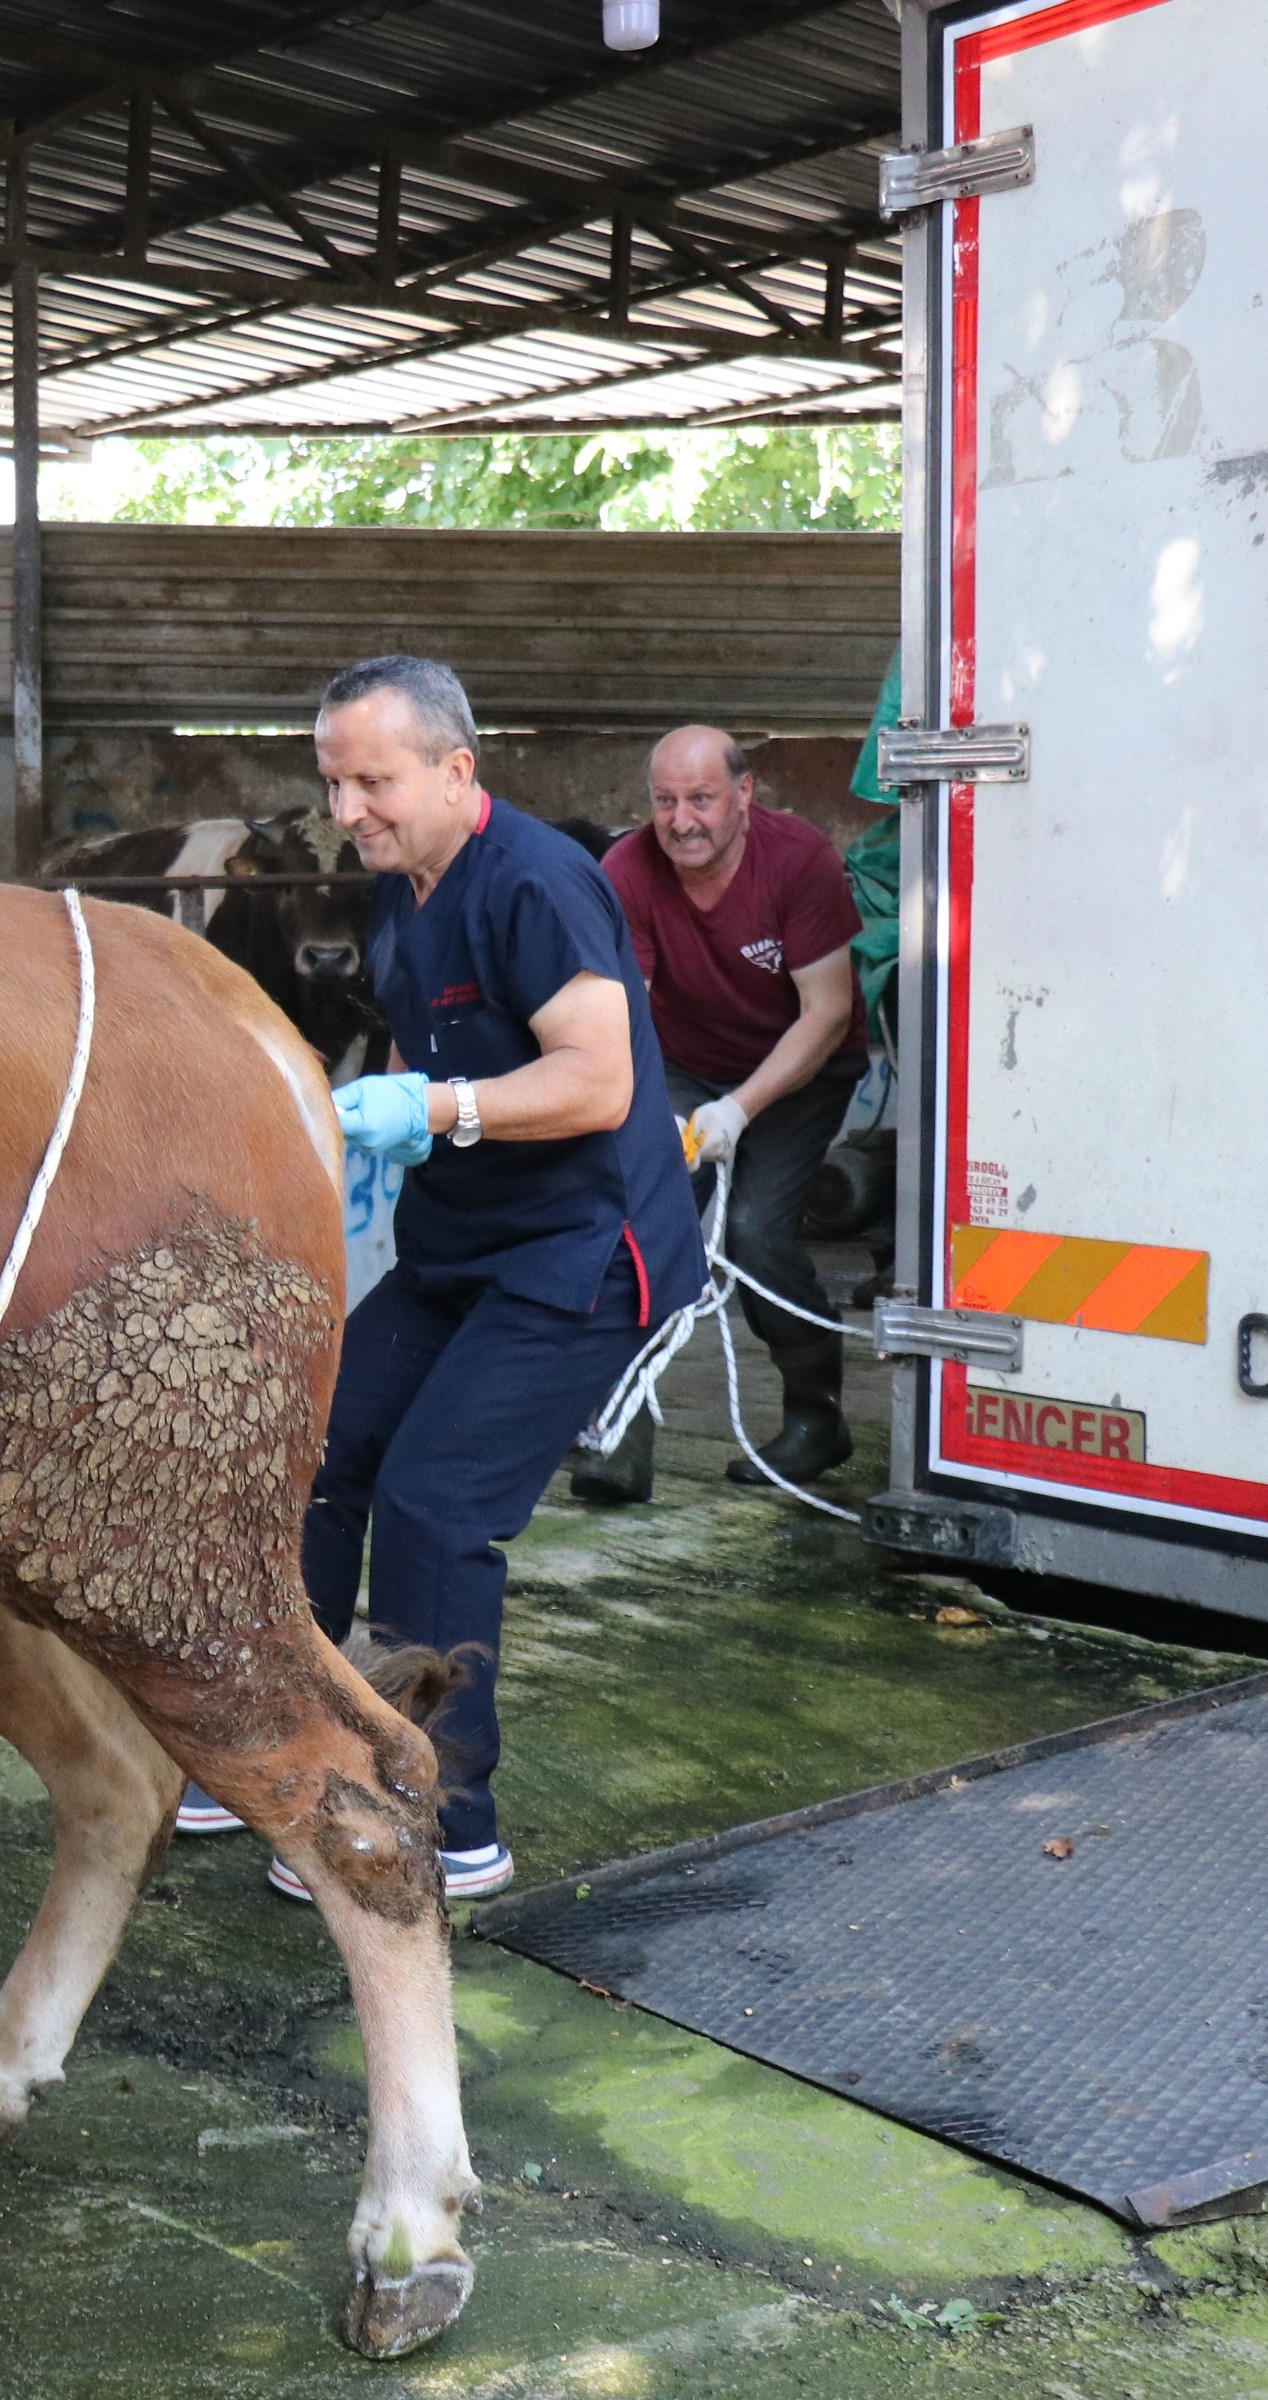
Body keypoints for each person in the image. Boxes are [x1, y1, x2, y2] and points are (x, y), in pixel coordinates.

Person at [175, 656, 703, 1903]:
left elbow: (599, 1084)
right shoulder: (403, 887)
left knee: (432, 1503)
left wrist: (438, 1104)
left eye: (373, 780)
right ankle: (283, 1755)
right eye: (334, 783)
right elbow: (428, 1028)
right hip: (463, 1240)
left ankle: (441, 1818)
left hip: (584, 1252)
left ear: (456, 770)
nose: (347, 808)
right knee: (316, 1446)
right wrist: (394, 1106)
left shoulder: (537, 883)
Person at [574, 725, 866, 1500]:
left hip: (804, 1066)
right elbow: (620, 1018)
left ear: (743, 796)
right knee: (637, 1221)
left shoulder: (800, 859)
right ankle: (619, 1431)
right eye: (665, 802)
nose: (681, 821)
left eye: (701, 799)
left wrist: (738, 1111)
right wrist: (644, 1114)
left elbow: (828, 1013)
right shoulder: (628, 870)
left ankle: (817, 1418)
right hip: (681, 1064)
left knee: (755, 1235)